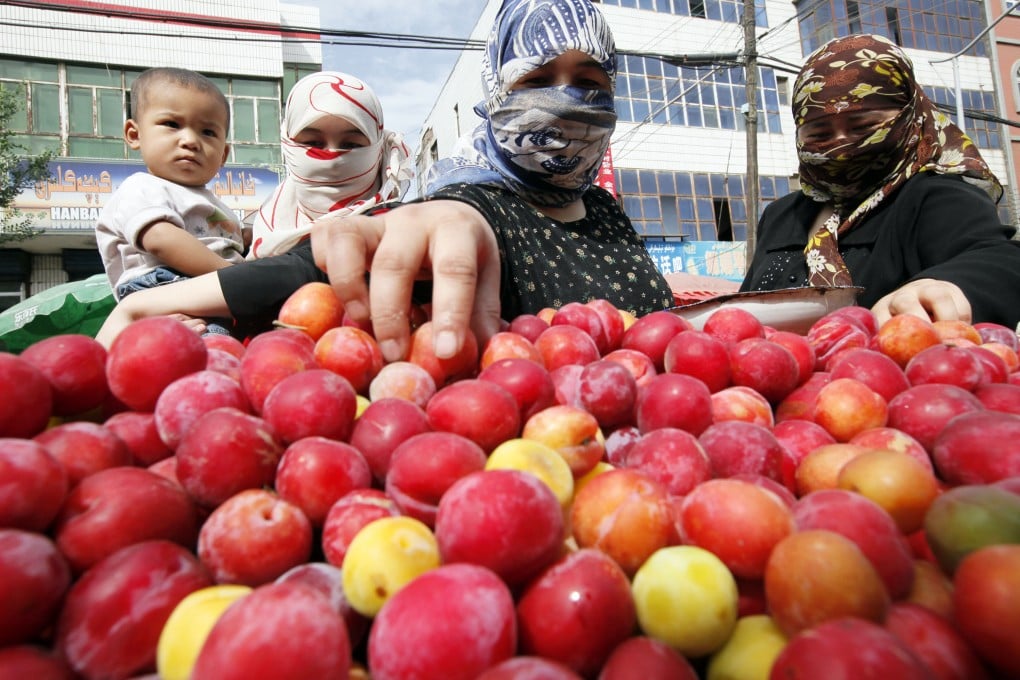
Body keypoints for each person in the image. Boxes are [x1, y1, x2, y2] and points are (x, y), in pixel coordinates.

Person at [310, 0, 674, 364]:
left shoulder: (604, 207)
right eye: (537, 79)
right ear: (496, 89)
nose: (565, 100)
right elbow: (449, 221)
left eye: (588, 82)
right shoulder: (475, 205)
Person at [95, 71, 412, 346]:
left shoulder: (398, 226)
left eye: (351, 144)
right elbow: (161, 240)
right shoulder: (270, 223)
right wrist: (241, 279)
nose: (330, 155)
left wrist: (244, 278)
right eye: (312, 142)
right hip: (165, 287)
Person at [739, 33, 1020, 329]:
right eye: (820, 134)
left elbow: (998, 259)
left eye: (864, 126)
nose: (841, 143)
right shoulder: (781, 215)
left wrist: (944, 288)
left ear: (910, 117)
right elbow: (744, 307)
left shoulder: (936, 196)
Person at [95, 68, 245, 302]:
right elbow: (160, 240)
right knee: (204, 338)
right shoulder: (141, 188)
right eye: (172, 124)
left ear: (223, 154)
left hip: (212, 288)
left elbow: (234, 238)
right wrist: (235, 277)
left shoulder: (213, 203)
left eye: (207, 132)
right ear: (134, 134)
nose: (191, 141)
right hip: (161, 285)